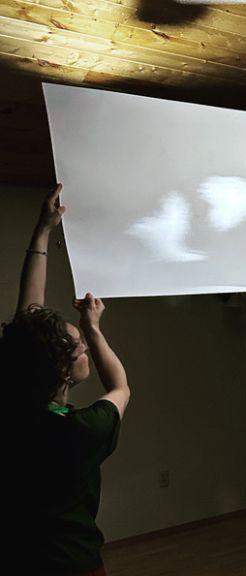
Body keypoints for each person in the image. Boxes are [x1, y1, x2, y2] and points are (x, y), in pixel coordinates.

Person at [3, 183, 130, 575]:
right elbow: (121, 388)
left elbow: (28, 316)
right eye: (78, 347)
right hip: (71, 564)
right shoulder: (80, 431)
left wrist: (43, 228)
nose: (86, 349)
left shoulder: (11, 401)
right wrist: (93, 328)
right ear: (61, 370)